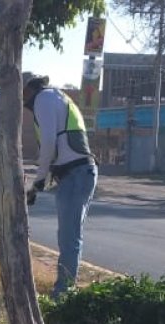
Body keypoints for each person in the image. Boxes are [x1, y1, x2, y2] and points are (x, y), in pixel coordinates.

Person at [23, 72, 98, 299]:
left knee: (69, 238)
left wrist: (38, 180)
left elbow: (48, 142)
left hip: (76, 174)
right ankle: (65, 290)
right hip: (76, 174)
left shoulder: (44, 99)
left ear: (29, 88)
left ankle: (63, 295)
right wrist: (40, 183)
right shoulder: (56, 97)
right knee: (69, 236)